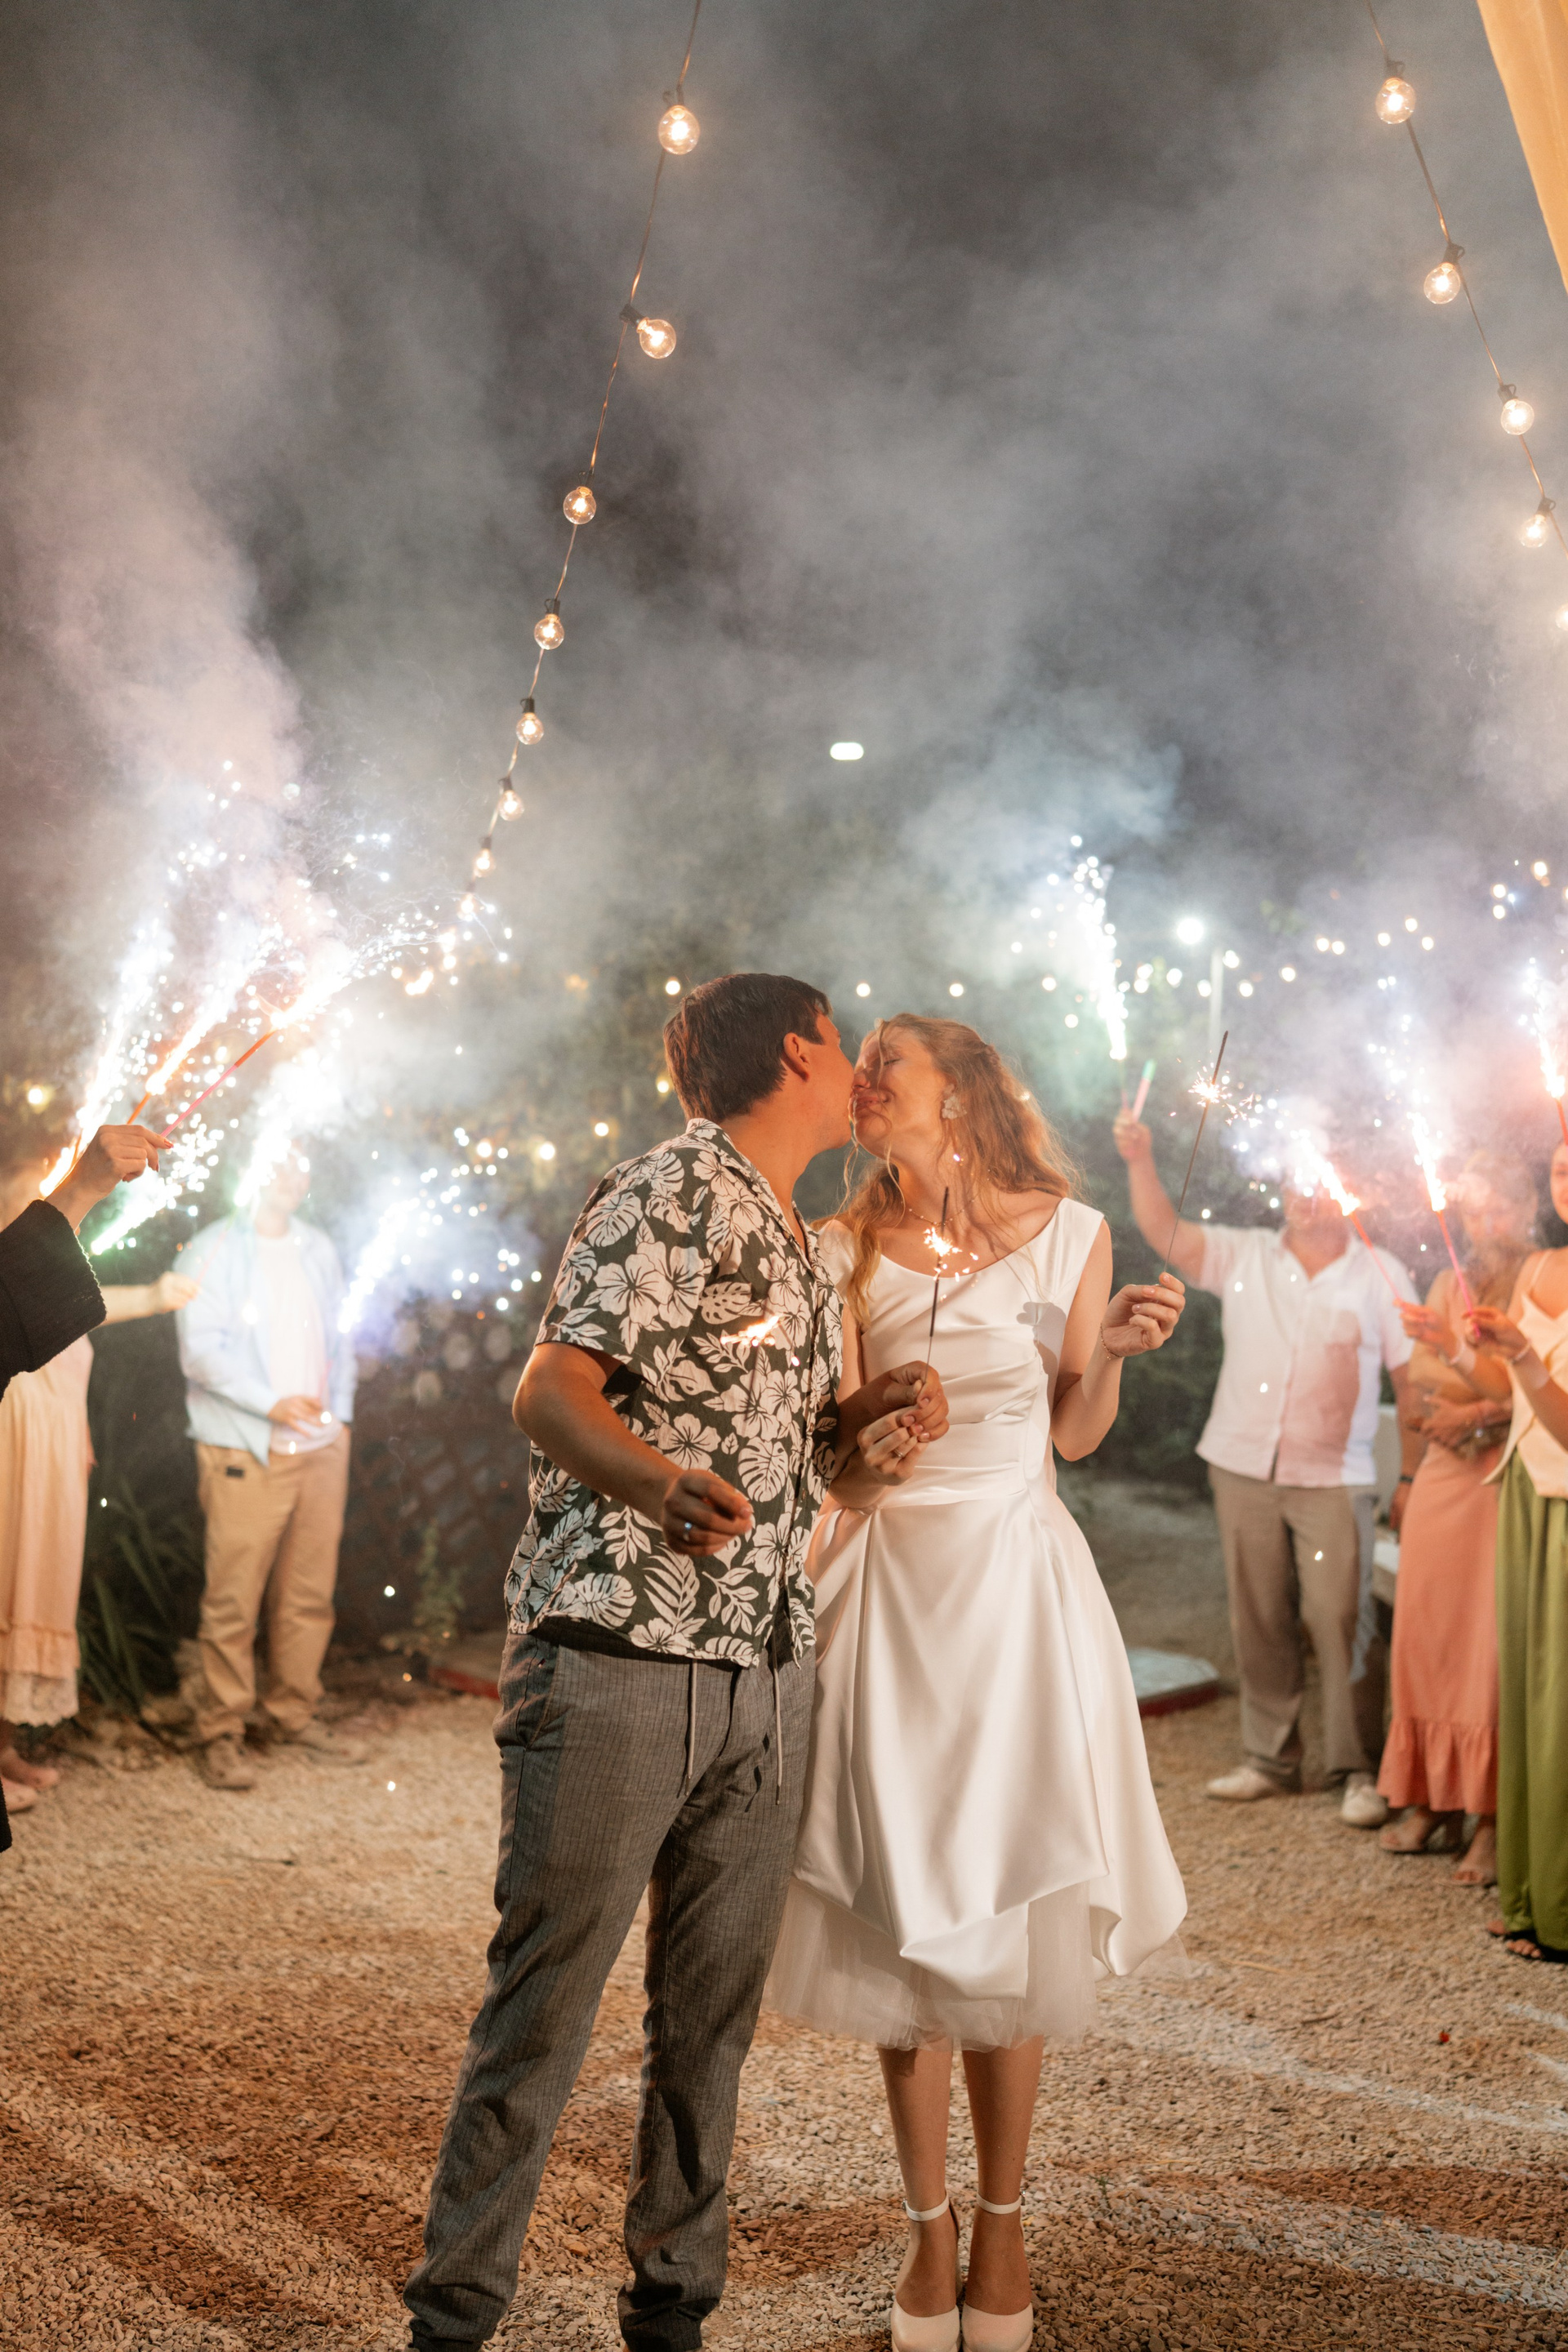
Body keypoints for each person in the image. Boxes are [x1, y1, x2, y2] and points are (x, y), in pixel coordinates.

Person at [404, 973, 950, 2352]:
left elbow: (807, 1470)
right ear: (798, 1051)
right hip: (618, 1659)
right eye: (842, 1039)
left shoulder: (802, 1242)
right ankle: (453, 2322)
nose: (857, 1063)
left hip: (766, 1672)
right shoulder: (666, 1192)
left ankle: (673, 2314)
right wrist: (656, 1486)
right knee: (544, 2014)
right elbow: (549, 1389)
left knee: (709, 2030)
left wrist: (871, 1427)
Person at [768, 1017, 1188, 2352]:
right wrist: (879, 1445)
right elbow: (838, 1470)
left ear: (960, 1091)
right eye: (860, 1063)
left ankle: (1003, 2223)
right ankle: (928, 2226)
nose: (864, 1079)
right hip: (890, 1587)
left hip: (1015, 1589)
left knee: (1014, 1899)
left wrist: (1108, 1348)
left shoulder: (1073, 1233)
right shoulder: (838, 1251)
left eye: (889, 1061)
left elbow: (1074, 1432)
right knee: (900, 1903)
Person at [1113, 1111, 1421, 1824]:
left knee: (1340, 1618)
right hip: (1241, 1462)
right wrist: (1140, 1159)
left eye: (1318, 1182)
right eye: (1294, 1181)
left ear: (1347, 1188)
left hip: (1335, 1477)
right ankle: (1271, 1761)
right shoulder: (1245, 1253)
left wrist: (1409, 1476)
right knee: (1258, 1616)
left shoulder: (1382, 1271)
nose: (1304, 1195)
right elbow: (1165, 1232)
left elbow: (1411, 1383)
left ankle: (1357, 1769)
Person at [0, 1138, 197, 1815]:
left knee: (35, 1590)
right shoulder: (13, 1286)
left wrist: (158, 1295)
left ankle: (3, 1747)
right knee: (7, 1588)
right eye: (40, 1199)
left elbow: (91, 1311)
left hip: (52, 1450)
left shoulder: (55, 1285)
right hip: (15, 1445)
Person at [175, 1146, 359, 1791]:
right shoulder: (211, 1250)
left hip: (322, 1446)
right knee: (233, 1598)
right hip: (246, 1446)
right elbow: (200, 1353)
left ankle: (291, 1714)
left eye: (302, 1166)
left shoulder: (317, 1247)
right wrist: (271, 1404)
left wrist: (340, 1417)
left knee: (308, 1593)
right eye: (279, 1163)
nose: (292, 1177)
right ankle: (220, 1731)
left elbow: (341, 1337)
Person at [1378, 1154, 1533, 1884]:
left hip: (1501, 1478)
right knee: (1427, 1635)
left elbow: (1531, 1387)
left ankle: (1492, 1819)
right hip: (1442, 1477)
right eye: (1473, 1210)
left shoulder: (1541, 1280)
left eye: (1498, 1207)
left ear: (1525, 1210)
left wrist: (1477, 1406)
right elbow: (1419, 1382)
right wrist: (1459, 1403)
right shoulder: (1447, 1282)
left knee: (1486, 1648)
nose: (1483, 1223)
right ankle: (1433, 1799)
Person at [1464, 1138, 1568, 1963]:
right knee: (1529, 1697)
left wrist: (1526, 1355)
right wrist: (1476, 1346)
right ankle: (1530, 1895)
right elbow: (1515, 1396)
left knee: (1560, 1706)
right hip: (1527, 1494)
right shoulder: (1535, 1266)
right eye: (1563, 1167)